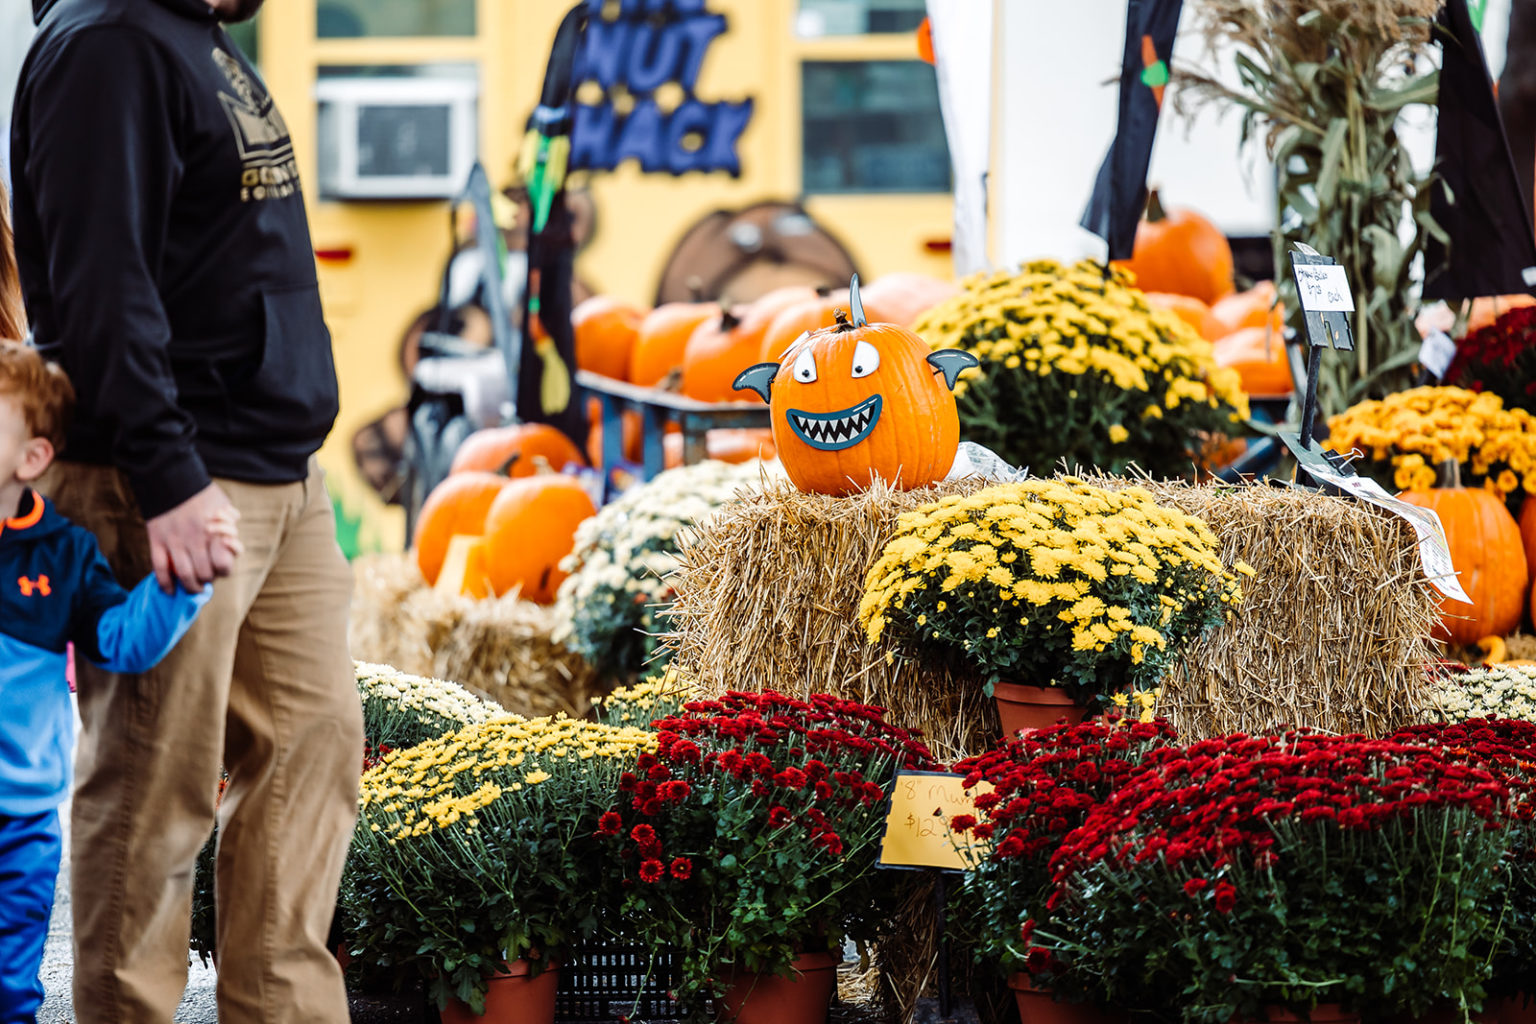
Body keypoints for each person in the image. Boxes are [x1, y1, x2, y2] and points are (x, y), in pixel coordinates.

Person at [10, 0, 365, 1020]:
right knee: (152, 793)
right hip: (168, 479)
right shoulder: (108, 43)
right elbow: (96, 290)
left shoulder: (188, 33)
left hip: (277, 472)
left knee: (311, 751)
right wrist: (166, 479)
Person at [0, 340, 228, 1021]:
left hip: (21, 822)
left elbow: (121, 643)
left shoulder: (63, 553)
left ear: (32, 459)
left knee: (10, 990)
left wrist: (180, 587)